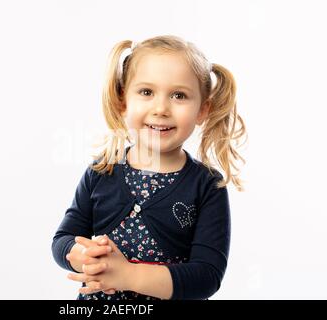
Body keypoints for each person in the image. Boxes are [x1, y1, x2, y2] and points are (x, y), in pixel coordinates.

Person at [52, 35, 247, 300]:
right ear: (123, 101)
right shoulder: (102, 171)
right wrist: (80, 254)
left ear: (202, 110)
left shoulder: (207, 185)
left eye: (179, 95)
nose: (161, 108)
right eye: (146, 92)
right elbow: (63, 238)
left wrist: (128, 275)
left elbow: (206, 276)